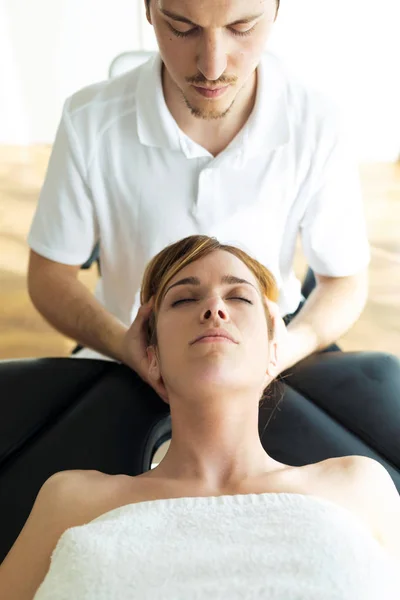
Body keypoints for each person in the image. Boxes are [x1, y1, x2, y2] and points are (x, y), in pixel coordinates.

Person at [26, 1, 400, 478]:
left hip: (270, 356)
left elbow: (344, 281)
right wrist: (125, 345)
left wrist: (284, 348)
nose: (212, 66)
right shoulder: (89, 120)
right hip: (125, 353)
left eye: (241, 28)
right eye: (182, 27)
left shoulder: (316, 123)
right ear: (147, 8)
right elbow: (49, 275)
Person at [1, 236, 399, 599]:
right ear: (150, 353)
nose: (214, 308)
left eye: (240, 298)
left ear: (274, 348)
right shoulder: (71, 498)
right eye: (183, 300)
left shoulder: (358, 487)